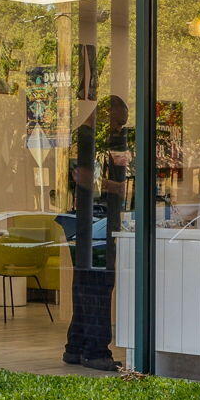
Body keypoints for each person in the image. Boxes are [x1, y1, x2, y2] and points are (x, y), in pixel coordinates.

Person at [63, 95, 131, 370]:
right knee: (97, 285)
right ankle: (95, 350)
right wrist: (114, 187)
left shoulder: (109, 140)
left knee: (86, 285)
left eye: (122, 123)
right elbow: (80, 176)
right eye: (116, 121)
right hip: (93, 221)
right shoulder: (87, 138)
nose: (119, 127)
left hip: (101, 220)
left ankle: (76, 347)